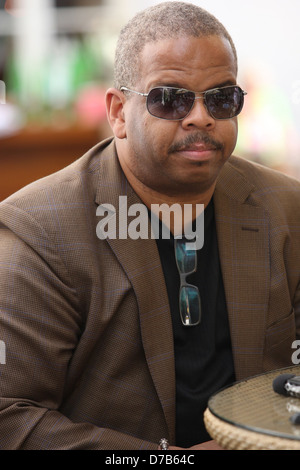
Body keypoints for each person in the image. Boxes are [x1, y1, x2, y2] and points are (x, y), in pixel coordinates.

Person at [0, 1, 299, 451]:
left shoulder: (285, 209)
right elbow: (10, 416)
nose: (201, 117)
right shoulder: (42, 233)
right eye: (171, 99)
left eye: (222, 98)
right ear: (119, 112)